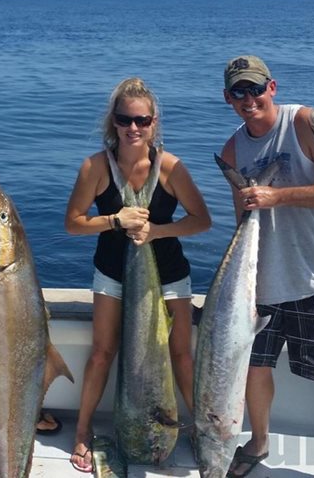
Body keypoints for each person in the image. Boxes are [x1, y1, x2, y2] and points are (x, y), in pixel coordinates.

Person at [217, 55, 314, 478]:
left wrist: (278, 197)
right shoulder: (233, 149)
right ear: (227, 98)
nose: (248, 99)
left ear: (272, 87)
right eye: (238, 92)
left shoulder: (306, 122)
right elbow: (242, 219)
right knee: (255, 369)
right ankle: (259, 442)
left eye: (255, 88)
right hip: (261, 282)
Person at [64, 77, 212, 473]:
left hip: (168, 274)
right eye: (125, 119)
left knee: (180, 353)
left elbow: (202, 220)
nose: (133, 128)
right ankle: (82, 430)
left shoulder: (172, 168)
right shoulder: (94, 167)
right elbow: (74, 224)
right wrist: (115, 220)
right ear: (113, 121)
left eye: (142, 121)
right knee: (102, 352)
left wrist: (156, 231)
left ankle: (201, 430)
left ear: (154, 123)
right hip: (112, 273)